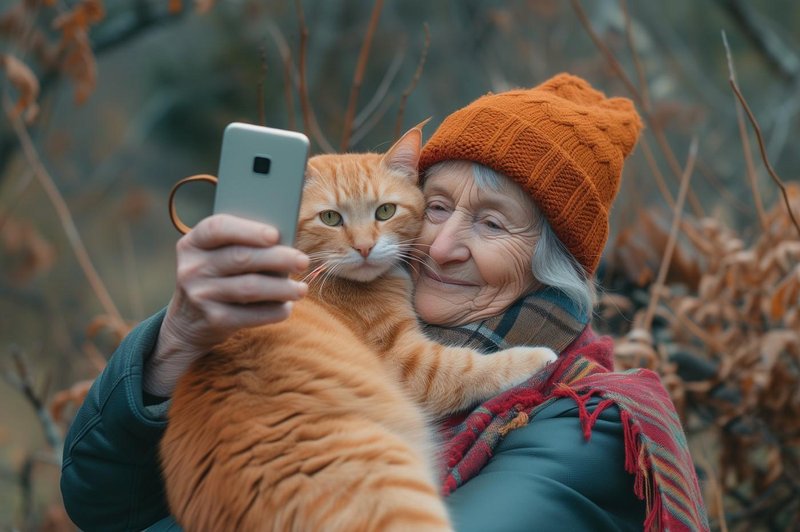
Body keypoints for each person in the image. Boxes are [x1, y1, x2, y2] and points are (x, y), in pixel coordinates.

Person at [60, 73, 709, 531]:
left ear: (551, 266)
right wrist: (177, 341)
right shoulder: (319, 319)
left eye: (491, 225)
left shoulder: (585, 426)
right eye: (437, 207)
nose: (445, 243)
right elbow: (103, 503)